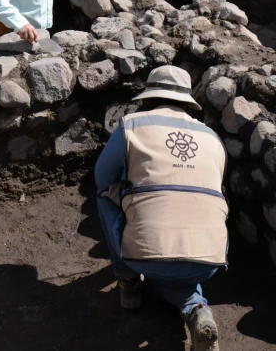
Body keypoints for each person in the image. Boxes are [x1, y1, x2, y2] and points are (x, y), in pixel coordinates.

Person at [94, 66, 228, 351]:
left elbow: (102, 179)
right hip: (210, 259)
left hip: (145, 256)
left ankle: (129, 282)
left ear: (148, 98)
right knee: (178, 271)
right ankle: (196, 308)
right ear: (186, 102)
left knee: (104, 195)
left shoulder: (132, 124)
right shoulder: (212, 137)